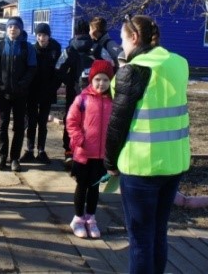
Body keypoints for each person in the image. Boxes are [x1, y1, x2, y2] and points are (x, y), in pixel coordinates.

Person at [105, 14, 190, 274]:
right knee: (158, 233)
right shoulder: (179, 63)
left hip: (141, 166)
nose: (122, 47)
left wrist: (110, 163)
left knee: (140, 240)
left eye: (122, 40)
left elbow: (117, 124)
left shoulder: (133, 71)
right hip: (174, 163)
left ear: (134, 37)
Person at [66, 59, 114, 239]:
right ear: (91, 80)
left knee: (94, 188)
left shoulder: (112, 101)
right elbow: (71, 121)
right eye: (98, 79)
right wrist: (79, 139)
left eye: (106, 80)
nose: (101, 84)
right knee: (82, 186)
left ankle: (91, 218)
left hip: (101, 155)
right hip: (83, 154)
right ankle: (78, 218)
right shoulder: (82, 99)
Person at [0, 16, 37, 172]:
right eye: (10, 26)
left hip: (20, 94)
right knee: (2, 126)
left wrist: (22, 84)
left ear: (21, 29)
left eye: (16, 27)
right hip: (3, 93)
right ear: (7, 28)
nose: (13, 29)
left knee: (18, 127)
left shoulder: (27, 48)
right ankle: (2, 156)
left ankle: (15, 158)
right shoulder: (0, 46)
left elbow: (32, 69)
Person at [20, 23, 61, 165]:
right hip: (32, 92)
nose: (41, 38)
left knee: (42, 123)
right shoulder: (32, 49)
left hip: (47, 92)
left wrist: (53, 88)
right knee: (31, 122)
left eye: (44, 35)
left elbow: (58, 72)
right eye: (39, 35)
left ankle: (41, 151)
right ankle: (29, 150)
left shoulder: (55, 50)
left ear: (49, 36)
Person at [56, 19, 93, 169]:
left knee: (71, 121)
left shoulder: (69, 49)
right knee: (90, 122)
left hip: (74, 92)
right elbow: (109, 65)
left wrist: (69, 80)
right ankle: (87, 153)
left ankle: (69, 152)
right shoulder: (96, 48)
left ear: (75, 32)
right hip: (93, 93)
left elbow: (58, 68)